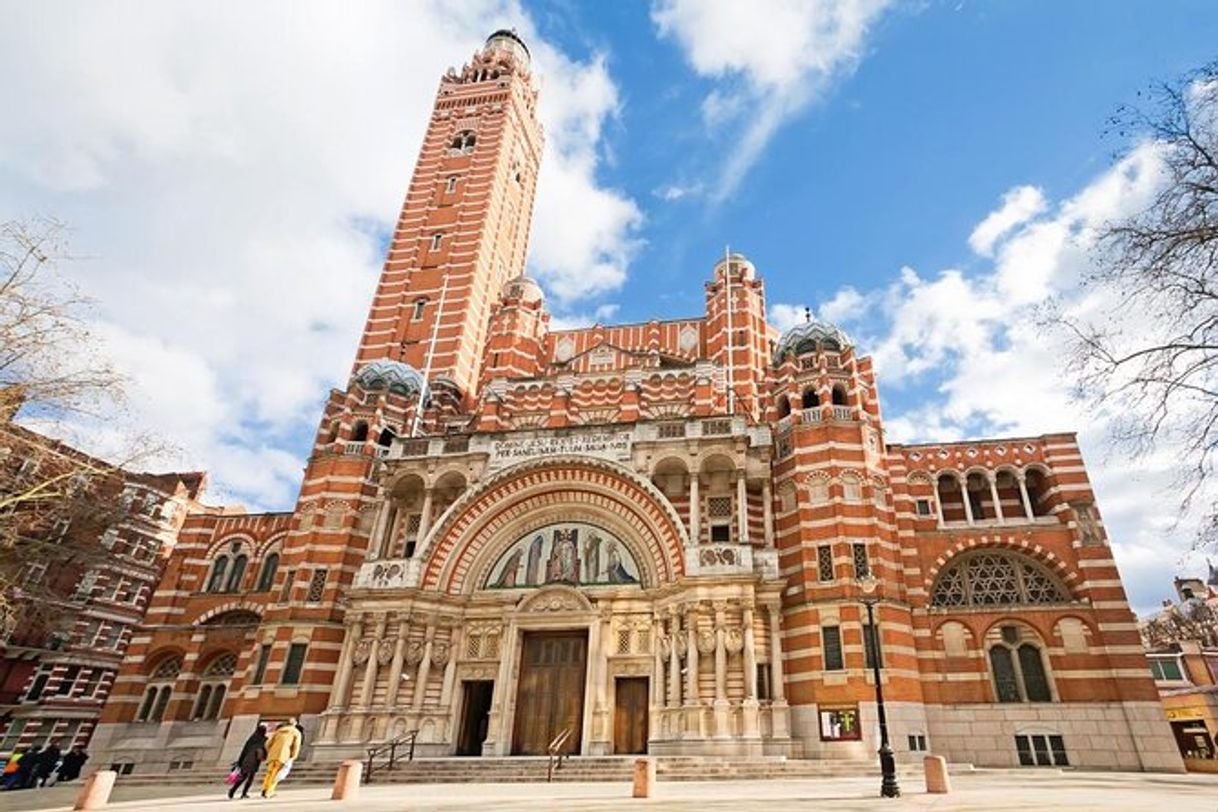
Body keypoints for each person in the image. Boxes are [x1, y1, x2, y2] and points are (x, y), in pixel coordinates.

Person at [260, 719, 300, 798]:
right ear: (294, 724)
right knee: (276, 774)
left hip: (273, 755)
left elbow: (267, 743)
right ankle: (269, 791)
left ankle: (264, 788)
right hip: (284, 755)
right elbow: (296, 746)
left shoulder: (278, 731)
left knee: (270, 772)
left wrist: (270, 751)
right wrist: (293, 756)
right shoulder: (296, 732)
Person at [228, 724, 266, 800]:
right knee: (250, 778)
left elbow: (244, 751)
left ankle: (232, 791)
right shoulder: (264, 739)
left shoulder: (251, 739)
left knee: (243, 777)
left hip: (246, 760)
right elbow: (265, 751)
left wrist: (239, 762)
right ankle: (244, 793)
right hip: (255, 761)